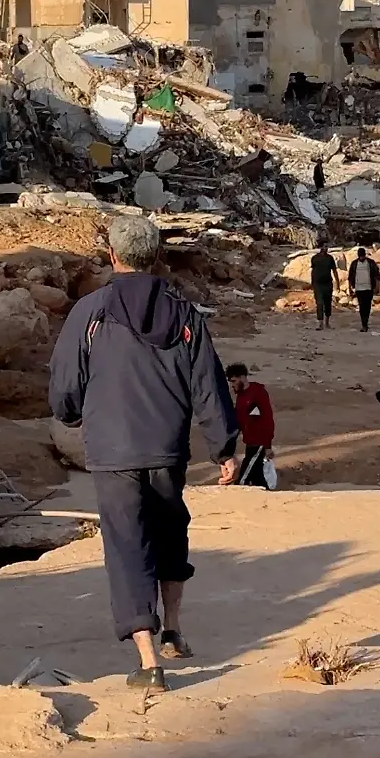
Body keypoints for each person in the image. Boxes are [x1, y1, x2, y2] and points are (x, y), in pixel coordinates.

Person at [49, 215, 238, 695]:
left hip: (112, 450)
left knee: (127, 548)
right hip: (167, 448)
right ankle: (173, 628)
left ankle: (149, 662)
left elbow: (66, 381)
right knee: (171, 533)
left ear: (113, 256)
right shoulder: (185, 314)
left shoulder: (90, 312)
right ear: (156, 258)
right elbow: (209, 385)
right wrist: (224, 448)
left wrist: (69, 413)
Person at [225, 363, 275, 487]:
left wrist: (267, 445)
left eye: (234, 381)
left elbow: (267, 419)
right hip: (250, 442)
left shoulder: (258, 393)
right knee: (257, 476)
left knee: (244, 478)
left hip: (259, 443)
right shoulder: (241, 396)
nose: (232, 385)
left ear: (242, 377)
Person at [348, 246, 380, 332]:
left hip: (369, 288)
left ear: (365, 255)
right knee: (362, 307)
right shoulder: (354, 264)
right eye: (360, 256)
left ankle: (366, 322)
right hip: (359, 289)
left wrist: (377, 287)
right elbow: (350, 277)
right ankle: (364, 324)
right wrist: (350, 288)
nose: (361, 258)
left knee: (367, 306)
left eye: (362, 256)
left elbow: (376, 275)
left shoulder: (371, 263)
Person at [310, 243, 340, 330]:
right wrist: (312, 283)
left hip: (328, 283)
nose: (327, 248)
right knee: (319, 303)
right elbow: (313, 271)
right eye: (325, 246)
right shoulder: (315, 258)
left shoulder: (330, 258)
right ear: (321, 247)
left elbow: (334, 270)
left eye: (327, 246)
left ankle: (327, 323)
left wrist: (337, 282)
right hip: (318, 284)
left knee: (328, 303)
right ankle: (320, 324)